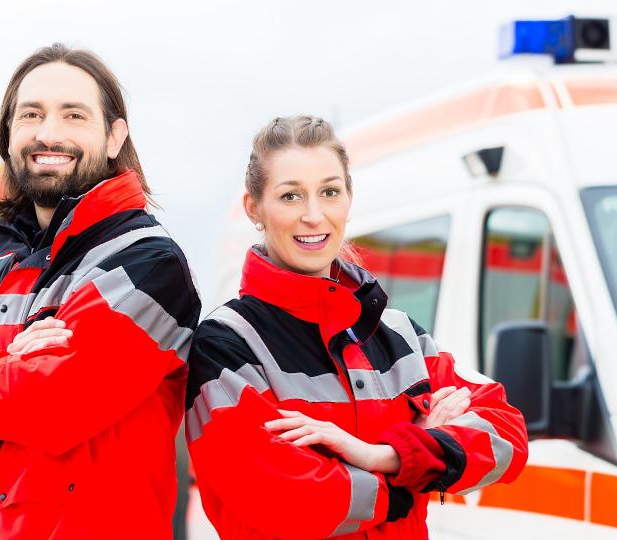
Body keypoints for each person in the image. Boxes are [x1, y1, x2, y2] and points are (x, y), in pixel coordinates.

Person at [0, 44, 201, 539]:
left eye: (74, 115)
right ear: (9, 135)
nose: (49, 133)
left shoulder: (150, 267)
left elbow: (56, 404)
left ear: (115, 135)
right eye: (31, 114)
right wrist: (7, 372)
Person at [185, 115, 528, 539]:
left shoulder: (403, 336)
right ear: (254, 208)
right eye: (291, 196)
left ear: (348, 197)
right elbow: (281, 499)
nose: (314, 215)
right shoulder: (225, 346)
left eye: (329, 191)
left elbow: (508, 433)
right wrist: (416, 473)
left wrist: (385, 455)